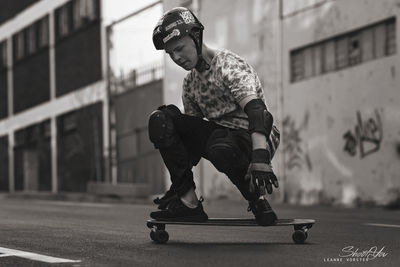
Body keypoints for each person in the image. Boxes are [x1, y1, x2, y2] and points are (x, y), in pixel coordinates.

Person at [148, 7, 280, 226]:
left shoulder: (228, 65)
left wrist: (260, 158)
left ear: (196, 37)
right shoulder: (190, 84)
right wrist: (180, 182)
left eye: (179, 48)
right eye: (171, 54)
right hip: (222, 137)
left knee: (220, 148)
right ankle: (188, 203)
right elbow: (191, 138)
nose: (176, 58)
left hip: (256, 138)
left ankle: (257, 200)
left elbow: (258, 112)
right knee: (162, 120)